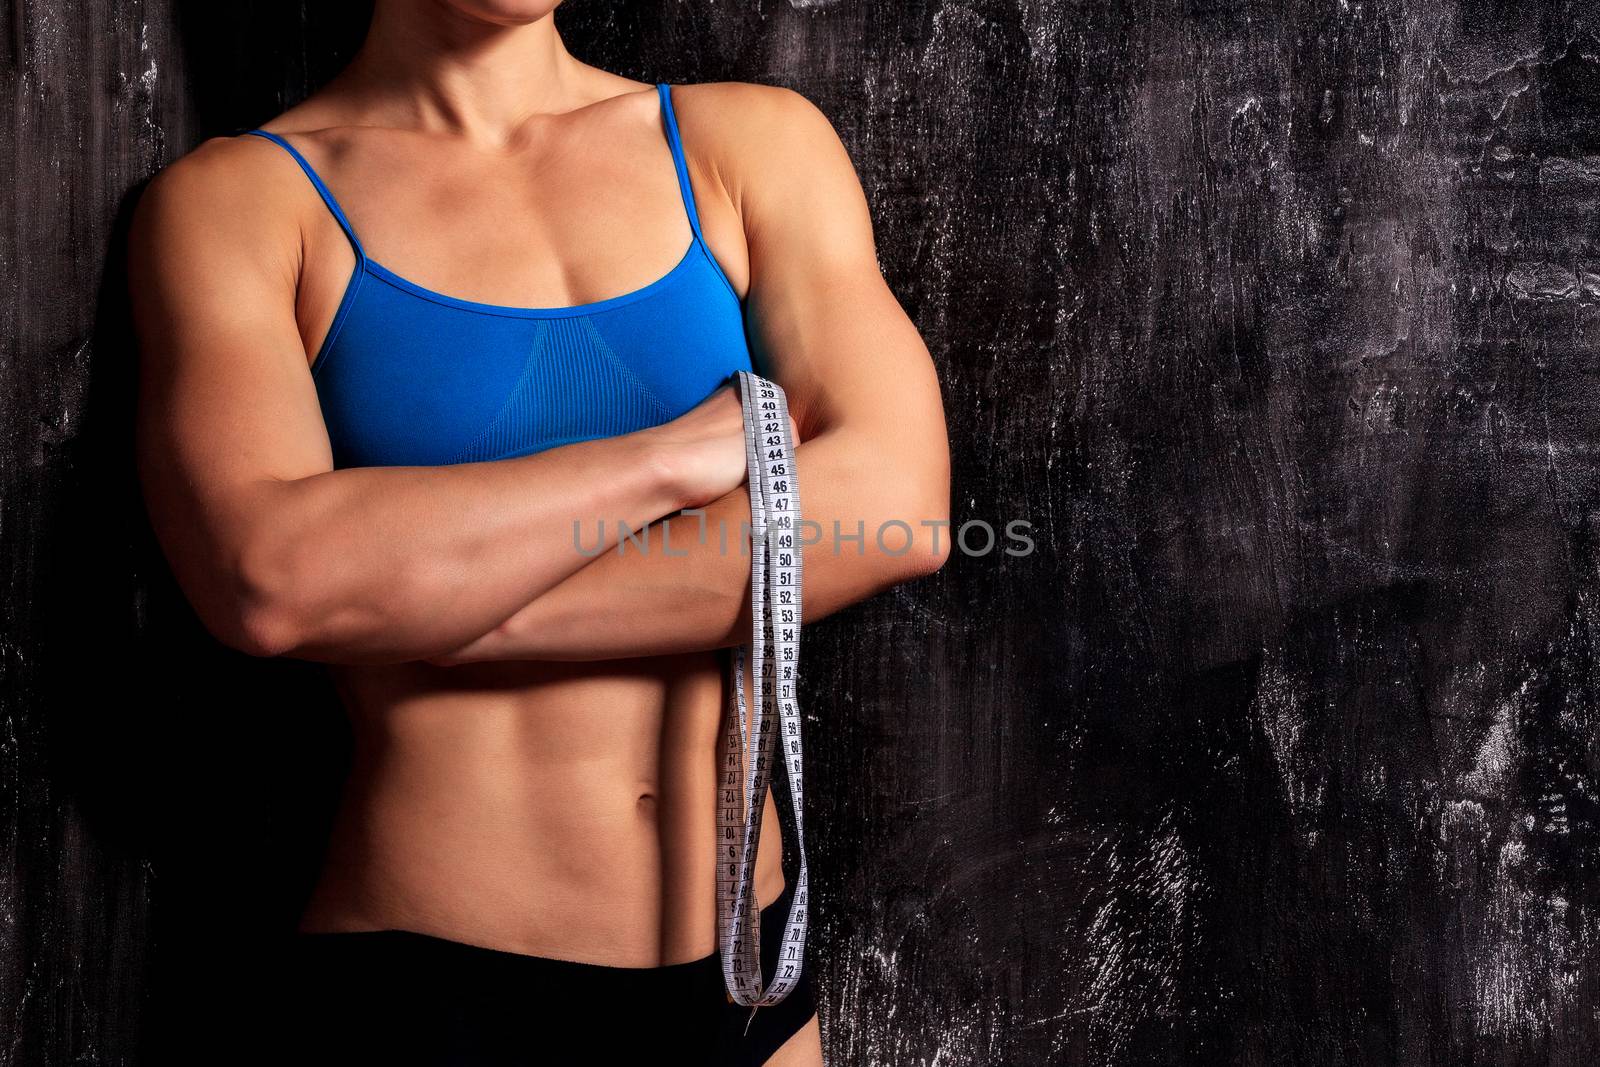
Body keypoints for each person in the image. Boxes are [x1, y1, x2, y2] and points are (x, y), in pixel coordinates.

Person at [128, 1, 950, 1062]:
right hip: (429, 976)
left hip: (744, 973)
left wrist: (432, 609)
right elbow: (269, 579)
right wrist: (661, 461)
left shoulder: (746, 146)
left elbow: (897, 510)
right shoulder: (241, 201)